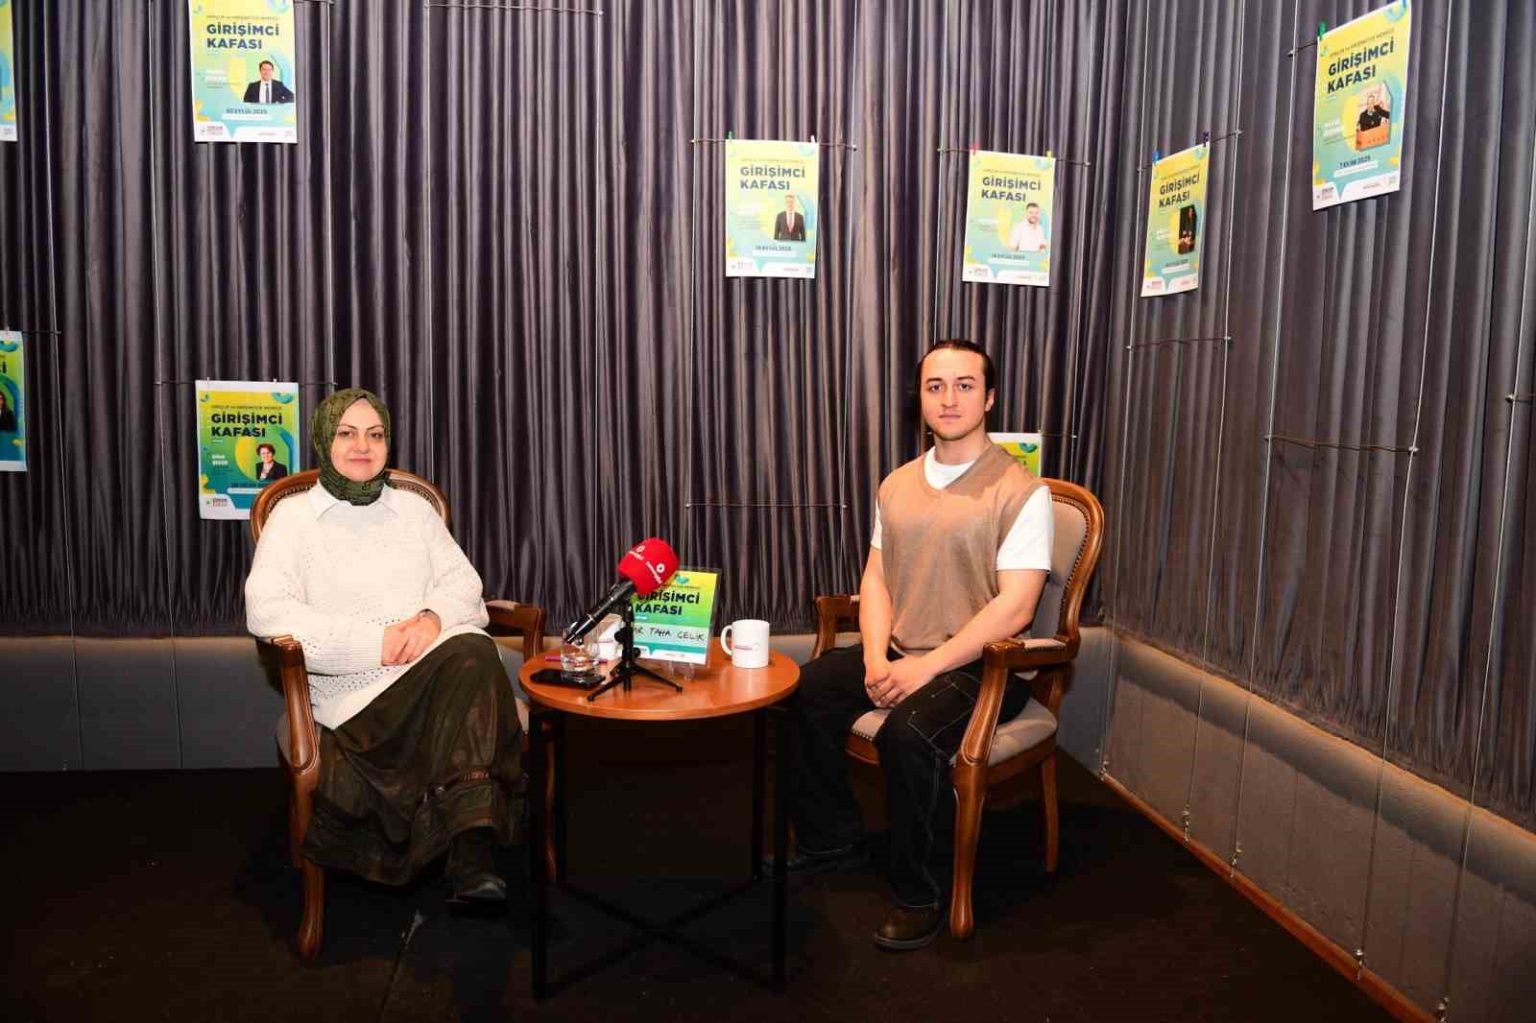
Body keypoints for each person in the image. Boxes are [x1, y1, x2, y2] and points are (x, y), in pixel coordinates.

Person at [776, 339, 1054, 952]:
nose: (949, 398)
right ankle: (831, 840)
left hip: (985, 665)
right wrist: (877, 657)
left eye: (964, 385)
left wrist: (924, 669)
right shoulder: (897, 484)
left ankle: (921, 893)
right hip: (904, 650)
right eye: (935, 386)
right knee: (805, 690)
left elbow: (1016, 607)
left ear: (989, 398)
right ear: (920, 399)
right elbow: (876, 578)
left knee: (909, 733)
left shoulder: (1021, 491)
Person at [245, 388, 522, 905]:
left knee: (472, 650)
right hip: (356, 697)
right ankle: (472, 848)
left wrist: (432, 619)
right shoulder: (293, 518)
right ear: (324, 440)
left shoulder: (414, 511)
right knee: (472, 661)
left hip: (434, 671)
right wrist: (375, 643)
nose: (362, 446)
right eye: (347, 433)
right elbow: (267, 611)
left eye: (375, 435)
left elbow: (464, 585)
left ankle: (470, 853)